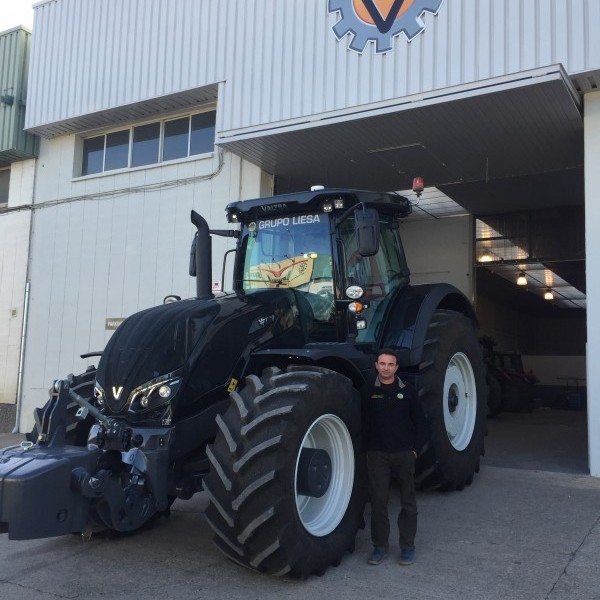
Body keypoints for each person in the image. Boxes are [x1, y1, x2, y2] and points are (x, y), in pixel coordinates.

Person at [363, 348, 428, 566]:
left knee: (408, 502)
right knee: (379, 501)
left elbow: (421, 424)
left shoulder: (408, 392)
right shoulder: (368, 391)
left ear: (397, 368)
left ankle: (407, 547)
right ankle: (379, 547)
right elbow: (362, 424)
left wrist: (414, 451)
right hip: (378, 455)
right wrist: (366, 451)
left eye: (391, 364)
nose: (386, 368)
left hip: (404, 455)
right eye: (382, 363)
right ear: (376, 365)